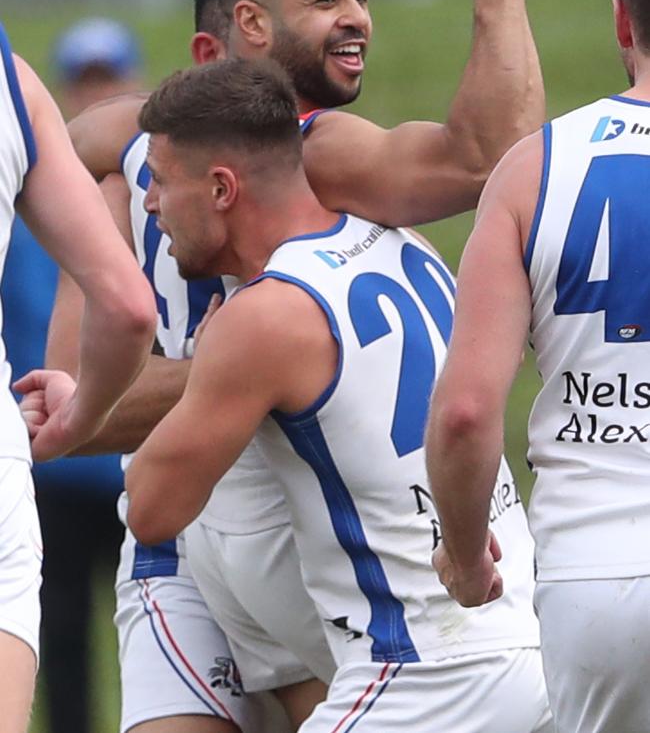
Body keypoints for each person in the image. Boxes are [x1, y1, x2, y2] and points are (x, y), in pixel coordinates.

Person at [45, 0, 547, 733]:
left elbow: (490, 160)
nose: (356, 18)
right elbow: (490, 159)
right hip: (211, 540)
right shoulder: (157, 154)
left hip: (294, 542)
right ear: (234, 36)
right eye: (326, 0)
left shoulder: (308, 158)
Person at [110, 57, 549, 733]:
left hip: (424, 676)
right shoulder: (404, 243)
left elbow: (151, 509)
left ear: (222, 188)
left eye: (161, 182)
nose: (149, 203)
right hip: (529, 647)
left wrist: (210, 370)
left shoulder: (265, 316)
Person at [425, 0, 650, 733]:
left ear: (623, 22)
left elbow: (468, 409)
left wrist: (461, 548)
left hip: (596, 578)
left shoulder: (534, 169)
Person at [0, 23, 155, 733]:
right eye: (85, 76)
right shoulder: (28, 171)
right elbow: (130, 309)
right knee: (57, 646)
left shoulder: (161, 197)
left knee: (136, 637)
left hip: (124, 462)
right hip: (43, 463)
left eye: (109, 74)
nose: (97, 89)